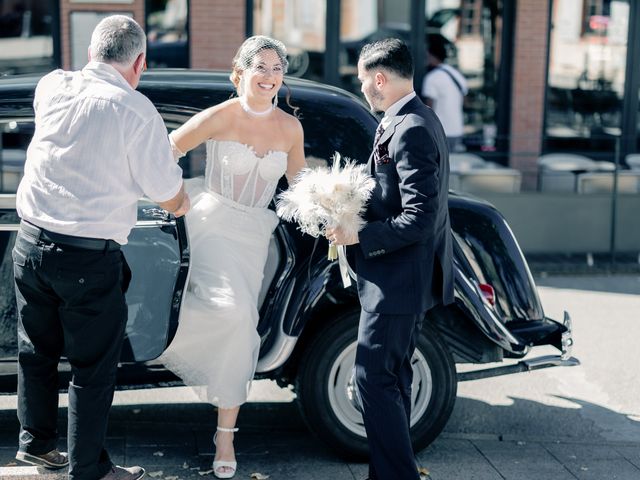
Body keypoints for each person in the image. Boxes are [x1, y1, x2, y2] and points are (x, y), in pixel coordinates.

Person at [12, 15, 189, 480]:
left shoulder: (52, 86)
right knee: (92, 369)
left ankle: (36, 444)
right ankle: (87, 470)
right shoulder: (135, 110)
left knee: (37, 350)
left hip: (28, 244)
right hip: (87, 258)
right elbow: (168, 194)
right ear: (140, 64)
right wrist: (181, 195)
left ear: (90, 53)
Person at [160, 35, 305, 479]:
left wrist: (329, 210)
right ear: (239, 73)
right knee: (239, 318)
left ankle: (226, 430)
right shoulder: (220, 116)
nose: (269, 76)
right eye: (260, 67)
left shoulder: (290, 127)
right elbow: (167, 149)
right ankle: (169, 348)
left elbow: (300, 185)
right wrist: (175, 195)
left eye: (277, 68)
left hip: (255, 234)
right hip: (214, 225)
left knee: (242, 325)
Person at [327, 38, 454, 480]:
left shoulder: (412, 127)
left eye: (363, 80)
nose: (363, 88)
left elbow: (420, 217)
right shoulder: (408, 119)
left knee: (372, 379)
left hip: (399, 280)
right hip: (402, 278)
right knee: (392, 378)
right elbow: (393, 191)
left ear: (379, 78)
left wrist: (358, 233)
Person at [421, 35, 468, 153]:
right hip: (457, 130)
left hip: (440, 131)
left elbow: (429, 108)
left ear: (431, 56)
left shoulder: (432, 78)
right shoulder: (457, 75)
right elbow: (465, 101)